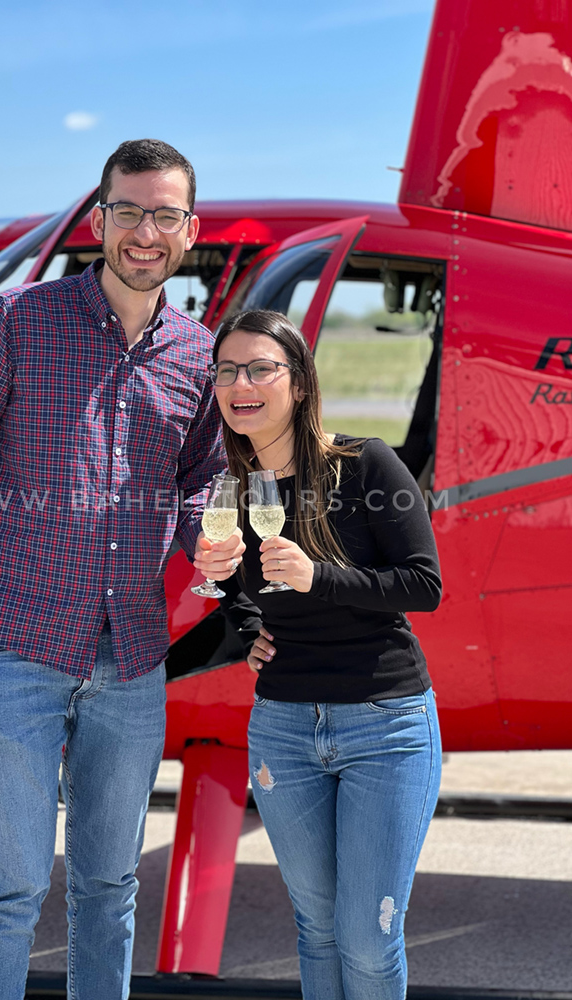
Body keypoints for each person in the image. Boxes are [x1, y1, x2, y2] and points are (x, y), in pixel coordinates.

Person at [0, 138, 244, 1000]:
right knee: (11, 888)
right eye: (128, 210)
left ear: (190, 230)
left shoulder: (196, 352)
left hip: (130, 659)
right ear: (98, 220)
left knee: (109, 888)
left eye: (164, 214)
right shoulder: (19, 323)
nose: (145, 231)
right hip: (10, 648)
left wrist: (203, 535)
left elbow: (195, 478)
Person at [193, 309, 442, 1000]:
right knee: (319, 928)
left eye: (261, 368)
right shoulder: (233, 488)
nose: (241, 382)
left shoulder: (368, 465)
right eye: (226, 370)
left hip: (385, 722)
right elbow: (237, 591)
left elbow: (425, 586)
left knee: (368, 938)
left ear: (299, 383)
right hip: (284, 728)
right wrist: (241, 619)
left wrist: (319, 576)